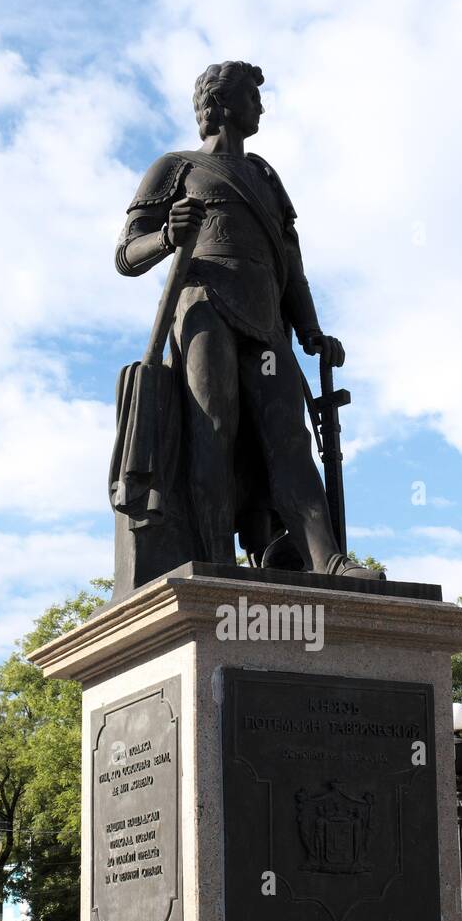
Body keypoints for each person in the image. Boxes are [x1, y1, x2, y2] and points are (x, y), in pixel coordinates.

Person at [115, 60, 382, 581]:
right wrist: (168, 237)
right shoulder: (175, 167)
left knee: (289, 438)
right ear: (219, 105)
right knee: (213, 430)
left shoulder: (264, 175)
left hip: (266, 321)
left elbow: (291, 263)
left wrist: (309, 330)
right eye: (250, 97)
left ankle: (326, 559)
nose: (260, 106)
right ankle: (215, 560)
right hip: (204, 309)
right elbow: (127, 254)